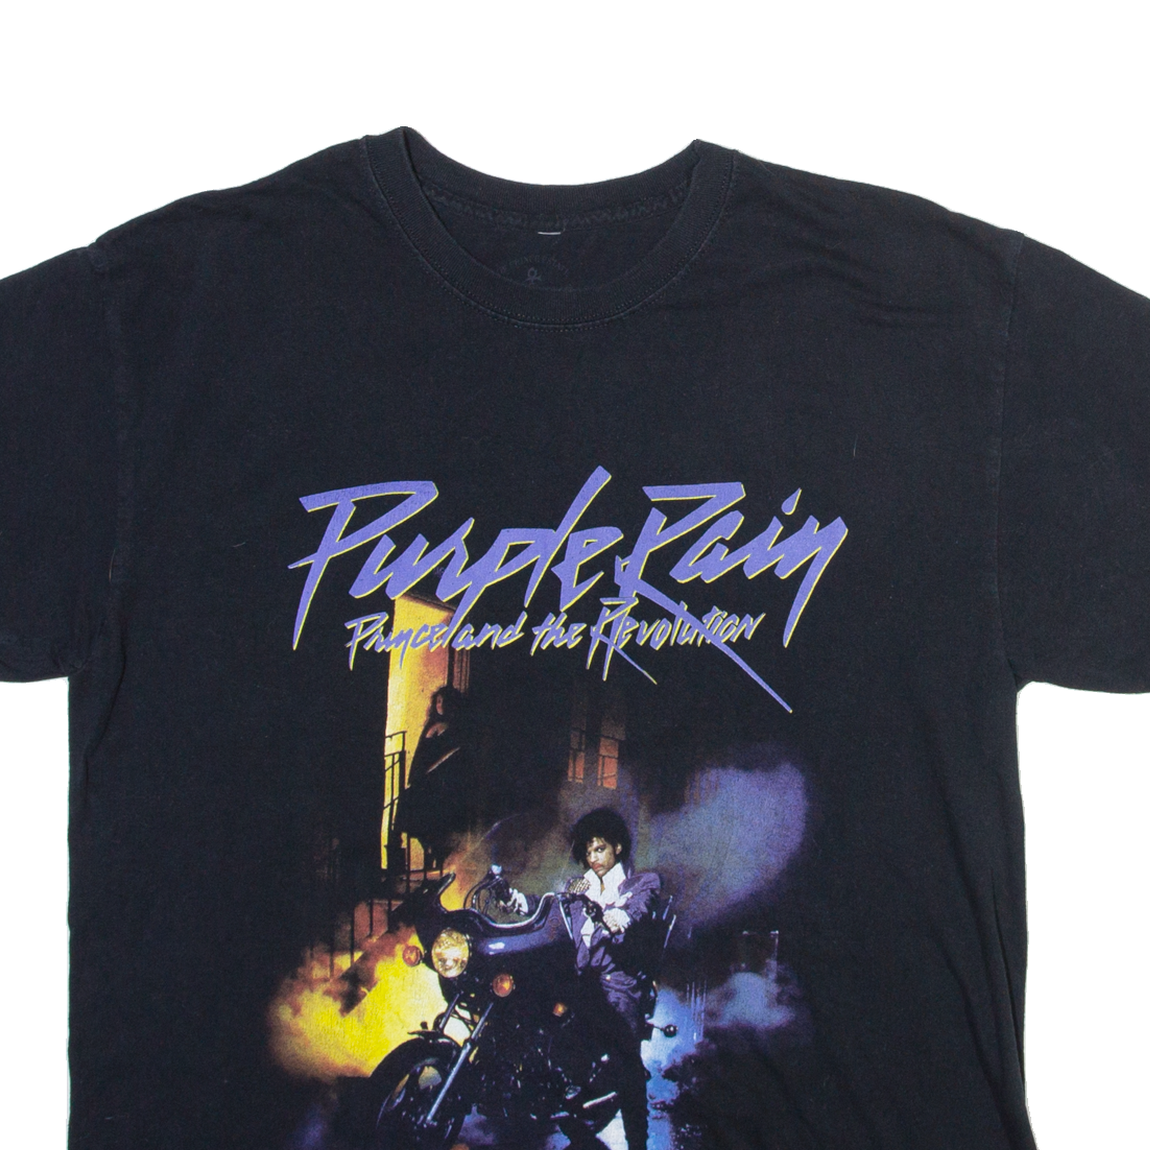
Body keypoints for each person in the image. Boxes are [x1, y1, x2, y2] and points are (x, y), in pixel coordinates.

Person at [505, 808, 661, 1150]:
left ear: (617, 846)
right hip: (581, 980)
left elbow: (637, 907)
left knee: (626, 1061)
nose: (594, 858)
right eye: (588, 851)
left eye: (600, 848)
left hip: (618, 982)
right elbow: (550, 908)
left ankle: (638, 1141)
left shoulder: (641, 883)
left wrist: (619, 916)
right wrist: (517, 900)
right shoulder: (580, 888)